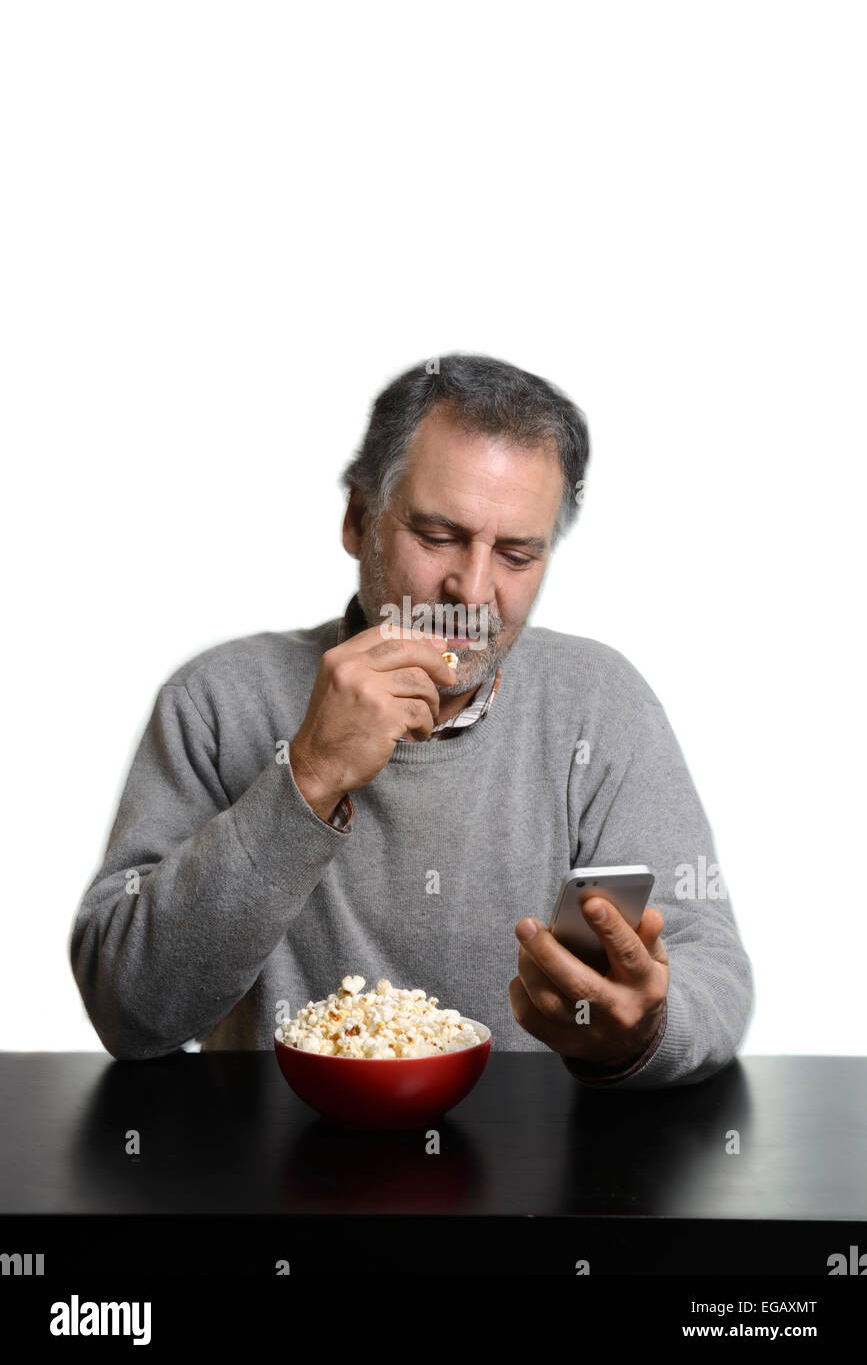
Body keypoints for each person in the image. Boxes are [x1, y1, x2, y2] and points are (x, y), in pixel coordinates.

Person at [69, 352, 753, 1088]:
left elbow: (709, 970)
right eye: (437, 537)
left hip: (533, 1176)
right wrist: (308, 777)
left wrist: (642, 1031)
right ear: (359, 519)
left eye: (517, 554)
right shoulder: (216, 699)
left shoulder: (600, 704)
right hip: (272, 1169)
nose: (473, 589)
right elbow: (129, 1012)